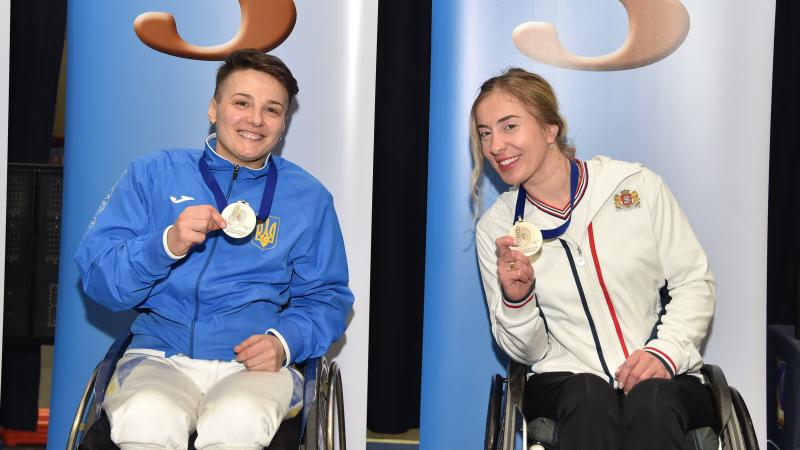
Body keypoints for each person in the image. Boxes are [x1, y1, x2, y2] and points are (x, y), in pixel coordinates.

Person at [75, 48, 354, 450]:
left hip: (252, 366)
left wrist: (283, 341)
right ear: (213, 108)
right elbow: (101, 280)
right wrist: (165, 244)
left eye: (272, 110)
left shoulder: (309, 198)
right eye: (242, 103)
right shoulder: (152, 174)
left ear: (284, 123)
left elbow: (328, 296)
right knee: (145, 419)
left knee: (238, 422)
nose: (255, 120)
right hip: (160, 356)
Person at [471, 68, 716, 450]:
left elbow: (693, 282)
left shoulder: (633, 186)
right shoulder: (498, 228)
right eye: (485, 133)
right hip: (565, 386)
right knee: (588, 395)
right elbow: (527, 352)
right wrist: (518, 299)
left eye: (509, 127)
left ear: (550, 129)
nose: (496, 146)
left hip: (666, 378)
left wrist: (664, 353)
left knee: (652, 398)